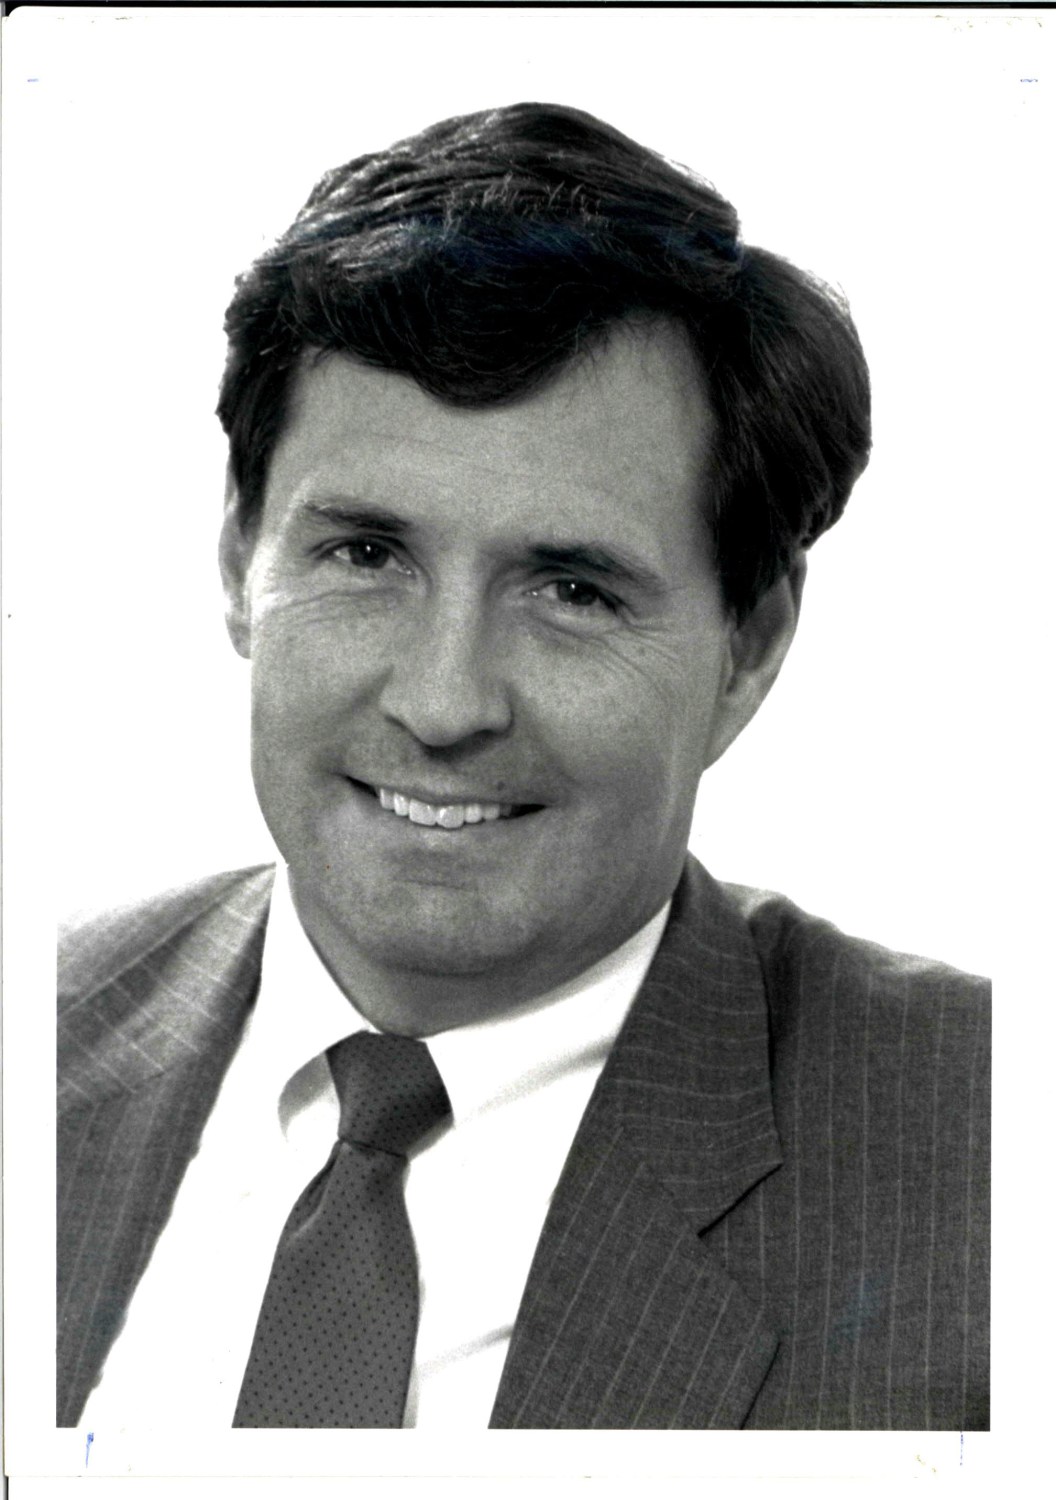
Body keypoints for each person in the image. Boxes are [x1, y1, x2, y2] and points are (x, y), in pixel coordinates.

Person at [57, 102, 989, 1431]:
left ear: (749, 646)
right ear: (237, 558)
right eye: (366, 554)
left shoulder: (994, 1166)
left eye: (571, 589)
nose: (443, 705)